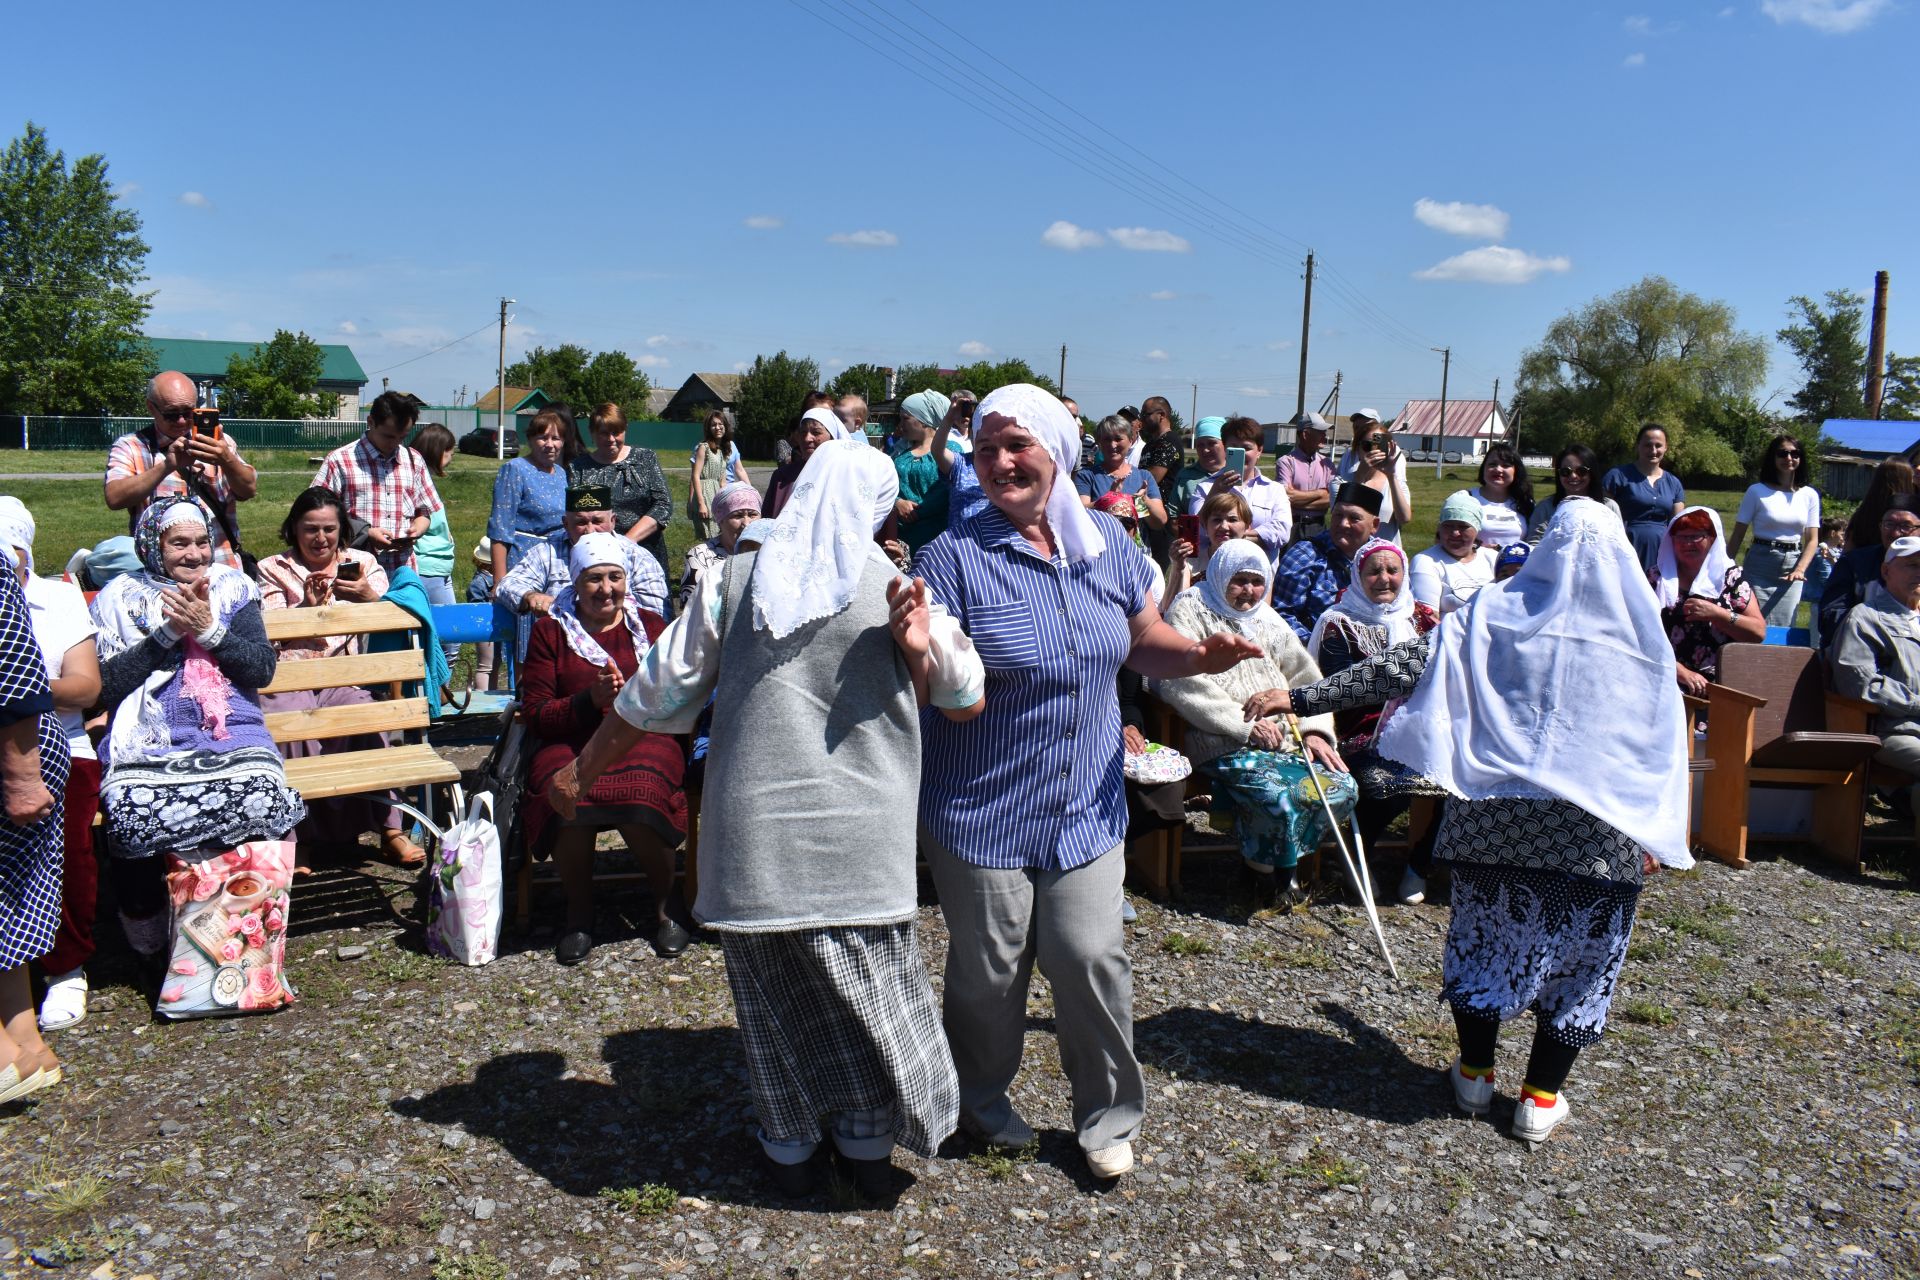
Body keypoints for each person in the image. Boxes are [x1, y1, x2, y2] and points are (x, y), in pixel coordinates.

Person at [554, 437, 985, 1198]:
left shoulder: (736, 579)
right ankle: (866, 1141)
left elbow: (655, 692)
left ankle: (788, 1146)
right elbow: (963, 697)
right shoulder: (893, 584)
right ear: (876, 506)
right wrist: (917, 647)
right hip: (863, 828)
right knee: (870, 987)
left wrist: (582, 769)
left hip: (758, 830)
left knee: (773, 994)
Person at [1250, 499, 1691, 1148]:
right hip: (1598, 838)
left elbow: (1402, 667)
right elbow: (1661, 743)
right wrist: (1654, 828)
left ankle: (1476, 1073)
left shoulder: (1496, 612)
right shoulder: (1638, 636)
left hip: (1495, 826)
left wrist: (1303, 695)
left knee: (1485, 945)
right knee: (1582, 963)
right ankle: (1541, 1097)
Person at [913, 384, 1261, 1182]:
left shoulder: (1107, 541)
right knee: (990, 970)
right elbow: (938, 683)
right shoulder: (954, 557)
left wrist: (1198, 657)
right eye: (987, 448)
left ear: (1055, 453)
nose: (1000, 462)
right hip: (982, 810)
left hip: (1085, 805)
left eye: (1017, 445)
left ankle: (1106, 1119)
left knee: (1091, 953)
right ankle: (980, 1103)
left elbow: (1144, 641)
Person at [89, 496, 305, 966]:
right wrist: (166, 634)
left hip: (232, 729)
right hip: (150, 734)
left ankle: (243, 925)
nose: (193, 554)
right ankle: (150, 936)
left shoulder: (233, 587)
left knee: (260, 794)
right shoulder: (119, 597)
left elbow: (261, 669)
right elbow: (104, 686)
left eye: (201, 543)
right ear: (152, 546)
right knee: (131, 809)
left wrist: (209, 630)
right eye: (178, 544)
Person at [519, 533, 688, 965]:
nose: (606, 589)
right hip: (570, 739)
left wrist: (639, 701)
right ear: (575, 582)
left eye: (615, 577)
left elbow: (676, 694)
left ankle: (666, 905)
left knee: (641, 788)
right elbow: (536, 712)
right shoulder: (550, 633)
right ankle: (579, 912)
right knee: (567, 790)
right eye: (594, 579)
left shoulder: (650, 626)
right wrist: (587, 701)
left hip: (644, 735)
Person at [1159, 539, 1356, 906]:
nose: (1249, 591)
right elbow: (1177, 679)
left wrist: (1316, 732)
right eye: (1239, 580)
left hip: (1286, 735)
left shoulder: (1266, 618)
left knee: (1342, 786)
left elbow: (1306, 678)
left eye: (1257, 581)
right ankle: (1270, 874)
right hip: (1221, 736)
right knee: (1278, 796)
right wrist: (1242, 724)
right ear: (1221, 575)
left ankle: (1272, 862)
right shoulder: (1191, 608)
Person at [255, 487, 421, 867]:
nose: (320, 538)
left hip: (343, 676)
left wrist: (367, 596)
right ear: (294, 529)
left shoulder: (361, 562)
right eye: (310, 529)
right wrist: (305, 611)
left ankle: (390, 829)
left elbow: (395, 614)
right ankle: (300, 836)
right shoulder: (271, 568)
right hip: (288, 676)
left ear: (341, 529)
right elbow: (269, 634)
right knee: (290, 725)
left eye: (329, 529)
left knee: (367, 717)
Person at [0, 500, 100, 1032]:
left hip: (62, 742)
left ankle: (66, 967)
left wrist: (13, 692)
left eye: (12, 560)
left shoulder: (55, 598)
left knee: (69, 843)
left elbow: (85, 687)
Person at [1305, 536, 1443, 904]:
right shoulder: (1340, 623)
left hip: (1423, 727)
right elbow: (1338, 687)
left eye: (1392, 570)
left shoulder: (1424, 619)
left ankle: (1419, 864)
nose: (1384, 578)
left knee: (1459, 784)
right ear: (1358, 575)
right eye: (1374, 571)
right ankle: (1355, 857)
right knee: (1385, 782)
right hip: (1358, 731)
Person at [0, 535, 70, 1105]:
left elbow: (13, 668)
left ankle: (4, 1056)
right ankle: (23, 1041)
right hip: (23, 746)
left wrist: (20, 772)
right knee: (12, 897)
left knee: (13, 892)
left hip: (13, 748)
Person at [105, 371, 258, 570]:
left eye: (188, 413)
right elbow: (114, 498)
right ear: (151, 407)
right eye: (171, 414)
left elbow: (248, 490)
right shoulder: (132, 446)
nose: (181, 421)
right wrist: (167, 466)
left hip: (220, 567)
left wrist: (226, 459)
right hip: (160, 575)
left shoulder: (220, 443)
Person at [497, 486, 670, 652]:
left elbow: (654, 615)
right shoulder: (548, 552)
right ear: (565, 523)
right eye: (580, 522)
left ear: (613, 521)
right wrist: (530, 596)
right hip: (561, 651)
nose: (590, 530)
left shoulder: (638, 557)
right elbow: (507, 585)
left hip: (624, 648)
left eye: (597, 521)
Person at [1830, 537, 1920, 827]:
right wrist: (1916, 704)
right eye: (1912, 565)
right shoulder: (1866, 618)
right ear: (1886, 571)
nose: (1919, 573)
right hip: (1895, 730)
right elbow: (1861, 684)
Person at [310, 390, 444, 574]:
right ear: (371, 422)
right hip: (356, 569)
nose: (396, 443)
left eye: (402, 437)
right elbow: (315, 514)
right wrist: (366, 533)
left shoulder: (413, 460)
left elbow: (424, 512)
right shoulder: (340, 460)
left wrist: (417, 529)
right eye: (389, 436)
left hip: (402, 569)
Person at [1649, 507, 1765, 693]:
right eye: (1681, 537)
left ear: (1712, 538)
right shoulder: (1656, 578)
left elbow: (1758, 632)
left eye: (1696, 536)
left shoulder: (1731, 579)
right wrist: (1678, 671)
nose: (1688, 543)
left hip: (1721, 681)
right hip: (1665, 676)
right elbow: (1639, 631)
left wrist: (1718, 614)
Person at [1727, 434, 1822, 628]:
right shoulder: (1756, 491)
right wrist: (1724, 566)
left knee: (1785, 625)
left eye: (1795, 453)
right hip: (1760, 562)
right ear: (1773, 457)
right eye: (1783, 453)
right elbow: (1738, 534)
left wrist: (1800, 569)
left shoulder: (1809, 495)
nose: (1789, 458)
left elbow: (1812, 540)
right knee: (1752, 623)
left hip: (1792, 567)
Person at [569, 402, 673, 579]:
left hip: (645, 550)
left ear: (625, 430)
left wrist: (626, 542)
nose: (611, 439)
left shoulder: (645, 458)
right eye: (604, 433)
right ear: (592, 434)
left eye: (616, 432)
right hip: (596, 557)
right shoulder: (578, 467)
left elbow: (663, 505)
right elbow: (575, 515)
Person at [1271, 484, 1382, 643]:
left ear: (1375, 525)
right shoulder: (1305, 556)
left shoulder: (1384, 559)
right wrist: (1318, 644)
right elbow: (1281, 613)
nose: (1343, 523)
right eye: (1338, 515)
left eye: (1354, 518)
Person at [488, 406, 575, 595]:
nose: (550, 444)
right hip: (524, 562)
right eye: (543, 437)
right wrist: (500, 582)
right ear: (530, 440)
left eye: (556, 438)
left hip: (558, 563)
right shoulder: (515, 469)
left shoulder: (561, 473)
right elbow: (500, 530)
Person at [1822, 494, 1920, 649]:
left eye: (1906, 526)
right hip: (1863, 649)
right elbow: (1830, 615)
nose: (1895, 533)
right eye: (1889, 524)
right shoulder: (1854, 563)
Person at [1188, 417, 1291, 557]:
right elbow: (1195, 532)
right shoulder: (1205, 487)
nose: (1241, 454)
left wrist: (1237, 537)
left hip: (1257, 574)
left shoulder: (1273, 489)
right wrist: (1215, 493)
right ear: (1225, 449)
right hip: (1214, 572)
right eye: (1234, 448)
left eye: (1246, 448)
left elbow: (1282, 531)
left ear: (1259, 450)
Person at [407, 423, 461, 669]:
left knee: (449, 638)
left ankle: (439, 690)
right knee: (449, 637)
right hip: (428, 569)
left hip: (440, 568)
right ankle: (439, 694)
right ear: (439, 451)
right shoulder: (414, 480)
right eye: (449, 452)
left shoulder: (425, 480)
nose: (451, 458)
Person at [1604, 422, 1686, 570]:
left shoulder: (1673, 483)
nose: (1653, 450)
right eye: (1648, 445)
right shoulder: (1617, 476)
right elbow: (1601, 516)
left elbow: (1678, 525)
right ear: (1638, 446)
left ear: (1666, 447)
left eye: (1658, 445)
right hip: (1625, 545)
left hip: (1662, 549)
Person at [893, 390, 960, 557]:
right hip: (902, 540)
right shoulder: (900, 454)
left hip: (938, 539)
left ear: (924, 420)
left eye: (906, 418)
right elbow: (885, 486)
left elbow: (948, 490)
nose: (901, 425)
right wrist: (897, 502)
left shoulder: (951, 450)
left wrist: (917, 511)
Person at [1330, 409, 1412, 545]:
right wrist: (1360, 476)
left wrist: (1391, 477)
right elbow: (1343, 514)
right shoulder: (1341, 483)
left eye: (1379, 445)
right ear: (1357, 449)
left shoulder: (1395, 483)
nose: (1373, 451)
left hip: (1385, 554)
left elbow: (1404, 518)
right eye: (1367, 446)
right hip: (1352, 553)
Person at [1075, 415, 1168, 534]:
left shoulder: (1144, 477)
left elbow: (1158, 523)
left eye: (1118, 439)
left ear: (1130, 441)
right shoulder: (1087, 476)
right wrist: (1109, 500)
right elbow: (1079, 514)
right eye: (1107, 439)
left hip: (1135, 550)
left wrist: (1142, 500)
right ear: (1099, 442)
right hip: (1102, 548)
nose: (1112, 445)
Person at [678, 482, 760, 613]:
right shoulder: (700, 556)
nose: (746, 523)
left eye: (752, 514)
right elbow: (691, 611)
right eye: (737, 516)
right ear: (720, 520)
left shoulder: (768, 552)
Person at [1410, 494, 1498, 616]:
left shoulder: (1493, 559)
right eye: (1448, 525)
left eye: (1463, 527)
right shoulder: (1426, 561)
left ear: (1477, 529)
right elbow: (1427, 618)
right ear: (1439, 528)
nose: (1455, 533)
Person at [762, 407, 848, 519]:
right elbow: (766, 521)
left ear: (833, 437)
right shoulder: (782, 477)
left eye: (816, 432)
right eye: (803, 432)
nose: (807, 438)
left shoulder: (845, 477)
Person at [1526, 444, 1621, 542]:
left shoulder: (1609, 507)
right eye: (1565, 471)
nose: (1573, 476)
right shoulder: (1546, 508)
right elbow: (1535, 544)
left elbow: (1619, 544)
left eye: (1581, 471)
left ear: (1592, 473)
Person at [1450, 443, 1532, 549]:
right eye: (1492, 464)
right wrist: (1477, 547)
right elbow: (1442, 538)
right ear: (1483, 468)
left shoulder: (1525, 503)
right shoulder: (1464, 498)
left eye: (1506, 465)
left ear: (1516, 471)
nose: (1498, 469)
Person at [1136, 397, 1183, 565]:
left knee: (1156, 568)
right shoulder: (1150, 445)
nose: (1141, 419)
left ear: (1161, 415)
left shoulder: (1169, 442)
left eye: (1145, 414)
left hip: (1162, 518)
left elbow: (1152, 478)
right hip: (1144, 512)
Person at [1275, 411, 1334, 543]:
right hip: (1293, 528)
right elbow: (1285, 498)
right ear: (1305, 434)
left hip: (1319, 527)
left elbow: (1332, 499)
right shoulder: (1286, 462)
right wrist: (1322, 493)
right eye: (1320, 432)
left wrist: (1297, 500)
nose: (1325, 436)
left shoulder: (1327, 464)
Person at [689, 410, 738, 542]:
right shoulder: (703, 448)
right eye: (713, 425)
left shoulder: (722, 450)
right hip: (705, 494)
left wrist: (728, 501)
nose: (717, 427)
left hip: (717, 495)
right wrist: (701, 504)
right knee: (709, 538)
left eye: (720, 424)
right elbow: (695, 476)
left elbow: (722, 481)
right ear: (708, 428)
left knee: (722, 536)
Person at [1167, 417, 1226, 520]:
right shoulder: (1185, 476)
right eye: (1200, 445)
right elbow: (1174, 517)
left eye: (1212, 443)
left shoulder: (1238, 474)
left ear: (1225, 444)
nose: (1205, 450)